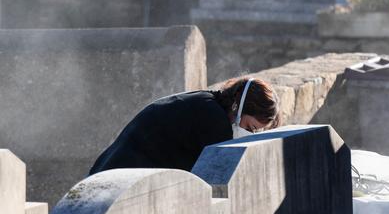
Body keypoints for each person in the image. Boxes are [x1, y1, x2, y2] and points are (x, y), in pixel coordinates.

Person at [88, 76, 280, 174]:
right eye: (250, 127)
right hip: (124, 173)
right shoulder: (214, 121)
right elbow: (217, 175)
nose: (247, 134)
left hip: (109, 165)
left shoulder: (205, 101)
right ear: (238, 106)